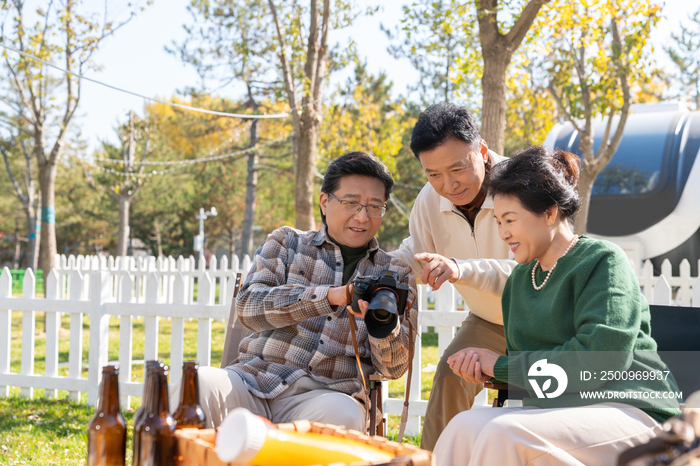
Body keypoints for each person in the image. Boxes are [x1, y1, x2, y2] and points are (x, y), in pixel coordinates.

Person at [434, 146, 681, 465]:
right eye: (497, 221)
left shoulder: (603, 261)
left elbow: (600, 359)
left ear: (550, 212)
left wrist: (500, 365)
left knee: (504, 433)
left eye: (510, 219)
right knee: (462, 426)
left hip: (634, 412)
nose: (503, 232)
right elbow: (531, 368)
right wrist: (486, 372)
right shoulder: (521, 280)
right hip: (563, 411)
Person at [171, 151, 416, 431]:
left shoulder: (396, 273)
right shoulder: (287, 243)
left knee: (344, 415)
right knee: (198, 384)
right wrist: (329, 297)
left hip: (326, 396)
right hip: (254, 380)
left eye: (375, 206)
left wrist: (382, 325)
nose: (363, 216)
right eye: (352, 203)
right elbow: (249, 308)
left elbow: (394, 369)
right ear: (325, 202)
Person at [390, 102, 516, 450]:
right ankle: (432, 460)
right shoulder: (429, 201)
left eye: (457, 168)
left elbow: (530, 275)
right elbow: (416, 254)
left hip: (547, 318)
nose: (448, 184)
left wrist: (461, 269)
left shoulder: (522, 187)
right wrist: (383, 268)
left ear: (483, 150)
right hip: (491, 321)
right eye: (433, 174)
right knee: (449, 374)